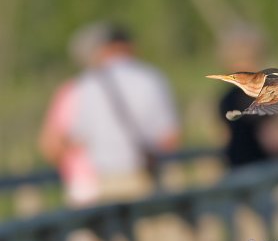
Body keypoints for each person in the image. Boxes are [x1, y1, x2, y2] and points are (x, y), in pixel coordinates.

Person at [39, 22, 180, 207]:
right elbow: (170, 137)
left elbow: (59, 144)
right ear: (130, 46)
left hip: (101, 182)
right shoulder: (152, 78)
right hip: (143, 177)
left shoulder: (84, 85)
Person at [216, 26, 278, 168]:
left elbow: (223, 138)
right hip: (263, 167)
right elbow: (275, 140)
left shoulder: (225, 98)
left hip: (237, 168)